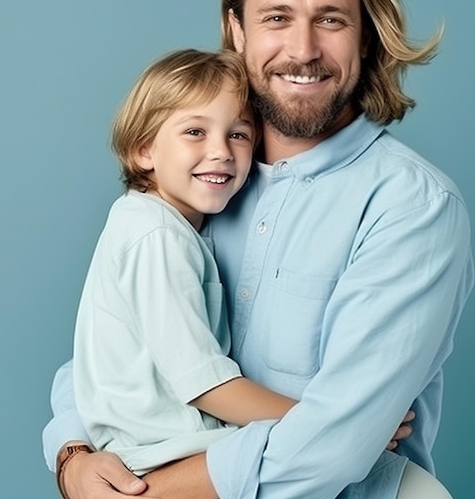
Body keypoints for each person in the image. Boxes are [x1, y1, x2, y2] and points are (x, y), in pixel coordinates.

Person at [43, 0, 474, 499]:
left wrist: (139, 495)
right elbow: (111, 344)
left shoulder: (411, 206)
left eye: (331, 19)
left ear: (365, 36)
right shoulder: (199, 187)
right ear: (237, 31)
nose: (303, 49)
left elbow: (334, 448)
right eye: (276, 18)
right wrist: (72, 457)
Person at [69, 49, 302, 497]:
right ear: (144, 150)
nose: (220, 151)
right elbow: (205, 383)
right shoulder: (157, 234)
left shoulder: (159, 225)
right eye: (195, 131)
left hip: (168, 451)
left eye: (238, 134)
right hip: (169, 457)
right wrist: (325, 421)